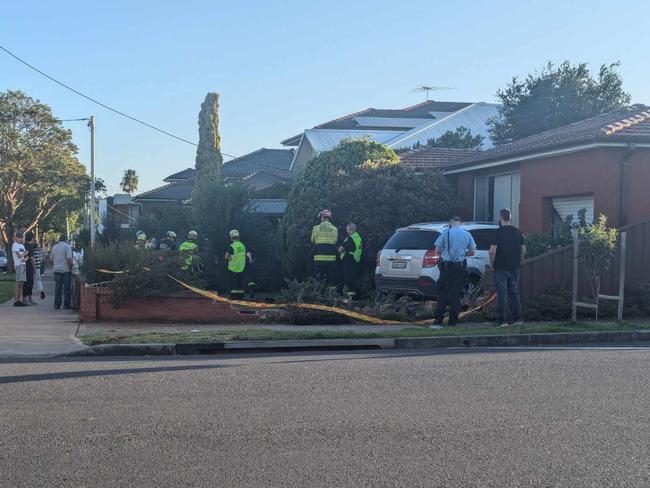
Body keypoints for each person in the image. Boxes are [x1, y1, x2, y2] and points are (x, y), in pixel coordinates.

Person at [432, 216, 476, 328]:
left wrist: (445, 252)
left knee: (442, 293)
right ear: (460, 222)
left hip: (446, 268)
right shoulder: (467, 234)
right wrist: (462, 254)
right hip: (459, 267)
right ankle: (453, 322)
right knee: (456, 295)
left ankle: (438, 321)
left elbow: (437, 250)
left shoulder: (445, 233)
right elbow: (472, 252)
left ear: (451, 222)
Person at [489, 208, 525, 327]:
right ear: (510, 217)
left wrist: (492, 264)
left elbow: (492, 251)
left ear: (500, 218)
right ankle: (518, 319)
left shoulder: (497, 232)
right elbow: (523, 249)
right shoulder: (517, 231)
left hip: (500, 267)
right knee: (514, 292)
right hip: (514, 266)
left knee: (502, 293)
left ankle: (502, 321)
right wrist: (519, 260)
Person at [311, 209, 338, 284]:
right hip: (331, 258)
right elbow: (335, 241)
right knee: (331, 280)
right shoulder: (335, 229)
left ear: (323, 217)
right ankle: (332, 295)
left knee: (319, 280)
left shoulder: (316, 228)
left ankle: (319, 294)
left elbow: (312, 240)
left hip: (319, 258)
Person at [224, 229, 253, 300]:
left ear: (231, 237)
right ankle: (241, 297)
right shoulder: (243, 245)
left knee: (233, 283)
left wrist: (229, 258)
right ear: (239, 237)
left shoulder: (232, 246)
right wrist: (250, 258)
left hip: (232, 268)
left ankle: (233, 297)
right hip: (241, 267)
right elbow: (248, 254)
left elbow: (226, 256)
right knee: (240, 283)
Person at [338, 223, 362, 299]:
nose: (346, 230)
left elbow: (340, 249)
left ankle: (349, 297)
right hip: (355, 259)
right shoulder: (358, 237)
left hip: (348, 259)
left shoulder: (349, 238)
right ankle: (352, 296)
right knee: (353, 278)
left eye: (347, 229)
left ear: (349, 229)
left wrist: (339, 250)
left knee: (348, 278)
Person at [51, 234, 73, 310]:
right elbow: (69, 259)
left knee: (58, 288)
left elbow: (51, 258)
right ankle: (66, 305)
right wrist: (70, 269)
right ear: (66, 239)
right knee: (66, 288)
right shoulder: (67, 246)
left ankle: (57, 304)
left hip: (56, 269)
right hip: (65, 270)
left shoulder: (54, 247)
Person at [12, 231, 28, 307]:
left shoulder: (22, 245)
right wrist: (25, 253)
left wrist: (26, 258)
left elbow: (25, 256)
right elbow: (19, 255)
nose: (20, 239)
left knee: (22, 283)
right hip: (18, 265)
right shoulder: (15, 245)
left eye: (21, 238)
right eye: (19, 238)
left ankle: (20, 299)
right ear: (16, 238)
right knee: (18, 282)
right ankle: (16, 300)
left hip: (23, 265)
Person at [22, 231, 37, 305]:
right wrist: (34, 268)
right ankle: (27, 299)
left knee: (26, 283)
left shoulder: (24, 245)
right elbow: (32, 258)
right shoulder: (30, 247)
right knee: (29, 283)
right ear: (31, 238)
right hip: (29, 267)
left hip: (24, 266)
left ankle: (27, 299)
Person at [71, 242, 84, 310]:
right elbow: (81, 263)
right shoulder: (78, 255)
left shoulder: (69, 254)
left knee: (71, 288)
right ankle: (76, 303)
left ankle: (72, 302)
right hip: (77, 272)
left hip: (70, 272)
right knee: (76, 289)